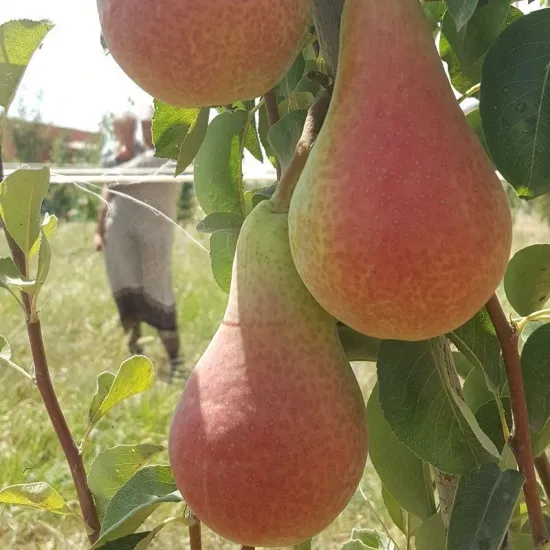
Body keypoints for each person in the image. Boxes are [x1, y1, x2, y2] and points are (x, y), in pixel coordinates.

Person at [95, 109, 183, 379]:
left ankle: (176, 365)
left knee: (160, 296)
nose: (147, 132)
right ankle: (137, 365)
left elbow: (115, 178)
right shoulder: (131, 156)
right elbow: (109, 189)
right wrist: (99, 230)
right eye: (144, 126)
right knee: (126, 293)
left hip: (154, 240)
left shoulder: (171, 156)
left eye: (151, 126)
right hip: (121, 236)